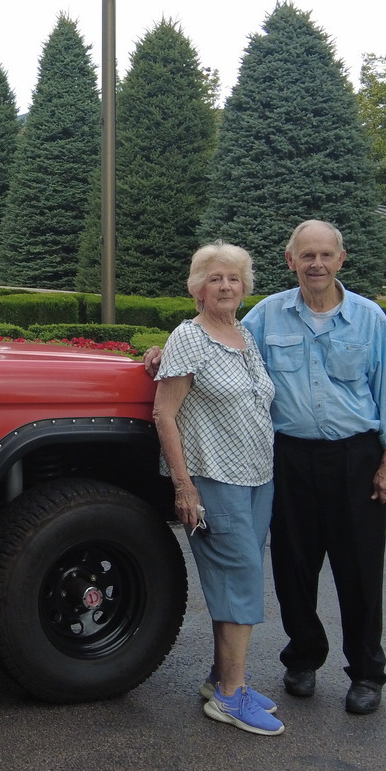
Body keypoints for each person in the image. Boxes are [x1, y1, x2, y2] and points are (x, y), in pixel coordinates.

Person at [147, 219, 386, 716]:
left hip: (355, 457)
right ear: (291, 262)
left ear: (340, 260)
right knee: (293, 567)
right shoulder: (266, 316)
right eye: (306, 255)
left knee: (359, 570)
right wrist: (163, 351)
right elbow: (212, 335)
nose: (317, 264)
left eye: (326, 255)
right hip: (287, 458)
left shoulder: (370, 318)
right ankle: (303, 659)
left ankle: (367, 673)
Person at [152, 243, 284, 736]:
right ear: (198, 288)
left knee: (238, 578)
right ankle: (231, 696)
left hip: (257, 477)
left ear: (244, 286)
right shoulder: (189, 337)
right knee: (240, 580)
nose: (226, 286)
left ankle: (219, 678)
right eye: (215, 279)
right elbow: (164, 413)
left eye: (233, 278)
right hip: (214, 480)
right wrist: (184, 488)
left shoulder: (244, 335)